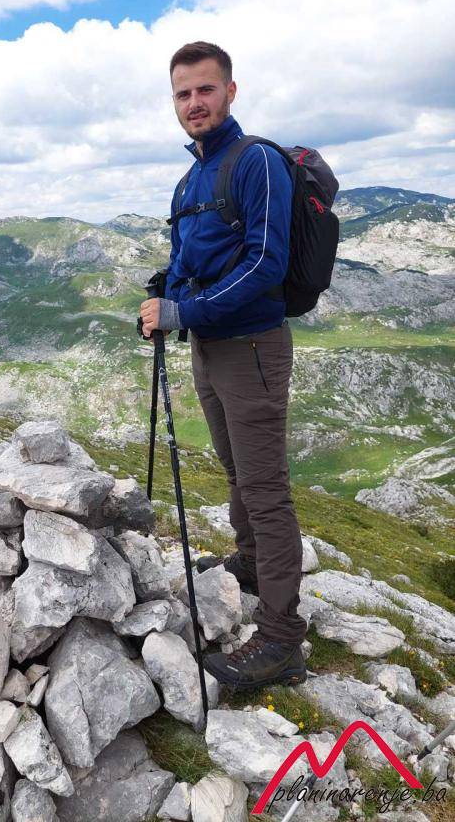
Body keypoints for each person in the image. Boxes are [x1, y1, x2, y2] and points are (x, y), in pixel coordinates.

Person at [139, 40, 307, 689]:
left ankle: (282, 639)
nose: (194, 103)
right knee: (237, 472)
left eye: (205, 89)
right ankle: (253, 564)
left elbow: (265, 262)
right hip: (209, 349)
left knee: (265, 489)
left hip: (253, 348)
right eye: (183, 93)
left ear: (230, 92)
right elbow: (187, 260)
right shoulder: (191, 179)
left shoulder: (255, 161)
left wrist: (182, 312)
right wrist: (164, 294)